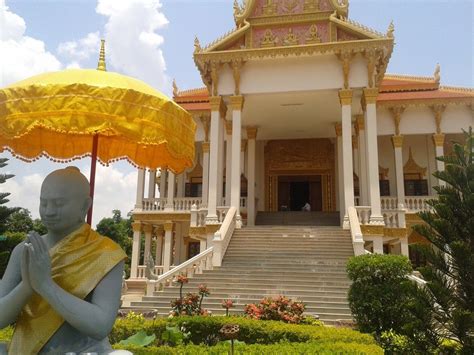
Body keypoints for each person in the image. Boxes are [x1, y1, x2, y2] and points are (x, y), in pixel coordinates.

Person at [0, 167, 127, 354]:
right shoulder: (24, 251)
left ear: (85, 206)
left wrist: (46, 286)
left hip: (84, 351)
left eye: (59, 204)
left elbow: (101, 325)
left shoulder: (106, 254)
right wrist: (27, 287)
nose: (49, 211)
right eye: (44, 203)